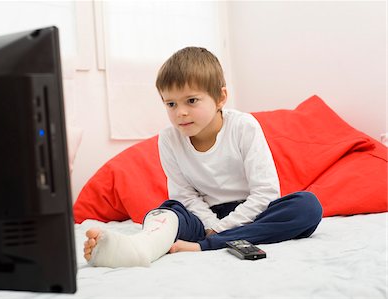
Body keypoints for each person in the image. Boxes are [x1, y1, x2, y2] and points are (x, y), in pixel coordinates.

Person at [84, 47, 323, 268]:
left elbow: (265, 193)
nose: (181, 112)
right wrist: (210, 225)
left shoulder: (244, 127)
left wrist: (217, 232)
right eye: (171, 104)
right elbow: (184, 195)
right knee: (168, 211)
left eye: (191, 100)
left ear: (220, 98)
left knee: (307, 207)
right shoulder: (169, 139)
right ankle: (138, 247)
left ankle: (204, 247)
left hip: (252, 214)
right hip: (202, 217)